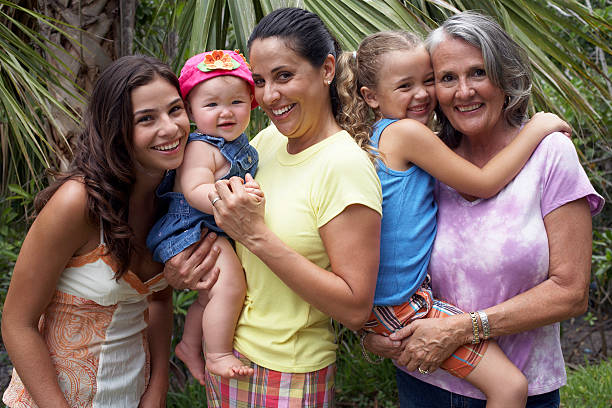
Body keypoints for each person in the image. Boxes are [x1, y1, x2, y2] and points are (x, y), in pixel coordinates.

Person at [363, 12, 604, 408]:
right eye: (446, 78)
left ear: (505, 78)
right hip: (423, 381)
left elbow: (571, 293)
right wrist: (377, 333)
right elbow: (380, 254)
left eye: (478, 73)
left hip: (521, 385)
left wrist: (462, 330)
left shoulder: (550, 154)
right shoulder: (426, 159)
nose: (463, 91)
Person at [165, 7, 383, 407]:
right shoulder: (263, 143)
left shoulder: (344, 166)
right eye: (260, 81)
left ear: (327, 69)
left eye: (284, 76)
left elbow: (355, 307)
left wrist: (256, 235)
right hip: (231, 355)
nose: (268, 97)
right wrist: (183, 267)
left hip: (290, 371)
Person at [2, 55, 188, 407]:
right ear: (116, 128)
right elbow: (17, 323)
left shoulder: (175, 196)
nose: (170, 128)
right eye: (146, 118)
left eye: (175, 110)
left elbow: (160, 298)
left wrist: (158, 384)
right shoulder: (78, 203)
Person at [146, 49, 261, 381]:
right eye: (211, 105)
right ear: (191, 111)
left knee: (211, 293)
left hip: (206, 227)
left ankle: (189, 344)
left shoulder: (241, 146)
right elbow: (196, 190)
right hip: (189, 228)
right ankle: (218, 353)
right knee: (231, 287)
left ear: (250, 105)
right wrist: (230, 199)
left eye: (236, 103)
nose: (225, 112)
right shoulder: (201, 147)